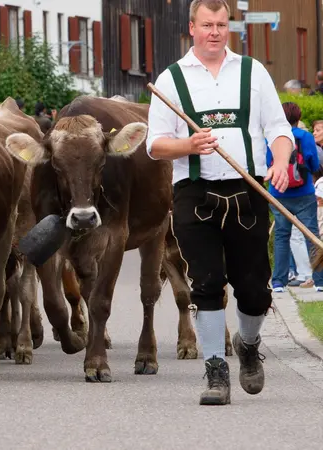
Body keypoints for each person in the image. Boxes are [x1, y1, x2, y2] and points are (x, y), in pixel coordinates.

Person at [146, 0, 293, 406]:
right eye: (207, 24)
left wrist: (280, 161)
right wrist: (187, 144)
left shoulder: (252, 72)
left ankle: (248, 343)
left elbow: (278, 128)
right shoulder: (171, 79)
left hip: (248, 191)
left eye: (222, 24)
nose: (215, 31)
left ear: (229, 27)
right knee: (206, 284)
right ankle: (215, 371)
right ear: (191, 28)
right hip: (195, 193)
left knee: (254, 289)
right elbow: (155, 145)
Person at [267, 102, 323, 293]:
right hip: (304, 193)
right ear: (298, 118)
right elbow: (314, 163)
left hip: (278, 193)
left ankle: (278, 282)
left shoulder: (273, 137)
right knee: (311, 235)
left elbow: (268, 162)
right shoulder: (305, 137)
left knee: (282, 236)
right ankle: (320, 281)